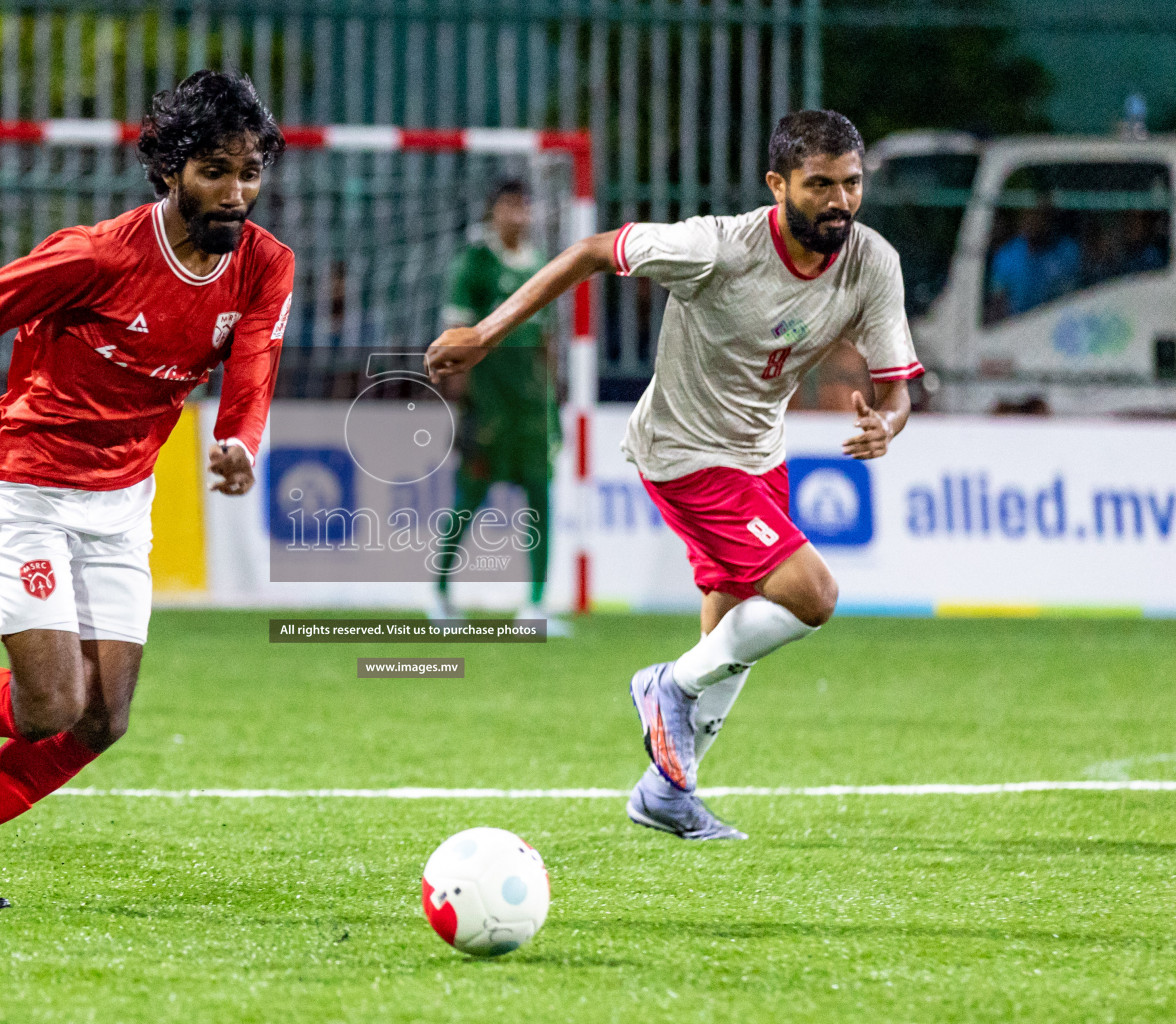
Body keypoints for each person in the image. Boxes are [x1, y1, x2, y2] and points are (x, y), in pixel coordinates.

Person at [0, 71, 294, 907]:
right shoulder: (100, 255)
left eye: (250, 171)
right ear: (170, 171)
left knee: (102, 719)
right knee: (50, 704)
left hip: (122, 504)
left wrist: (238, 442)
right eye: (215, 171)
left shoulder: (264, 266)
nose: (236, 192)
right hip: (28, 487)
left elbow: (254, 365)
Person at [425, 109, 922, 840]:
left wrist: (890, 421)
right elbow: (593, 251)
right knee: (812, 596)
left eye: (851, 184)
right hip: (684, 453)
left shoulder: (871, 260)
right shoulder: (716, 246)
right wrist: (485, 334)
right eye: (820, 184)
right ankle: (668, 686)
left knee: (736, 628)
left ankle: (667, 793)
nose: (839, 201)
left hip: (762, 454)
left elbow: (897, 388)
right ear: (777, 184)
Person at [430, 180, 565, 633]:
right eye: (510, 206)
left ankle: (537, 604)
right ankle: (441, 594)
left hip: (533, 410)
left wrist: (554, 403)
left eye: (525, 206)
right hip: (488, 407)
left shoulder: (543, 263)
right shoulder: (475, 264)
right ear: (493, 212)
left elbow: (548, 339)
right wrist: (461, 408)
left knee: (541, 502)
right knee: (467, 500)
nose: (519, 215)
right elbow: (455, 339)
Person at [986, 196, 1080, 322]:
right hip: (1018, 329)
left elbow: (1076, 296)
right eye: (1029, 216)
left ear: (1049, 220)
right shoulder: (1006, 256)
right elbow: (998, 304)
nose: (1033, 222)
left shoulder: (1067, 251)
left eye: (1039, 216)